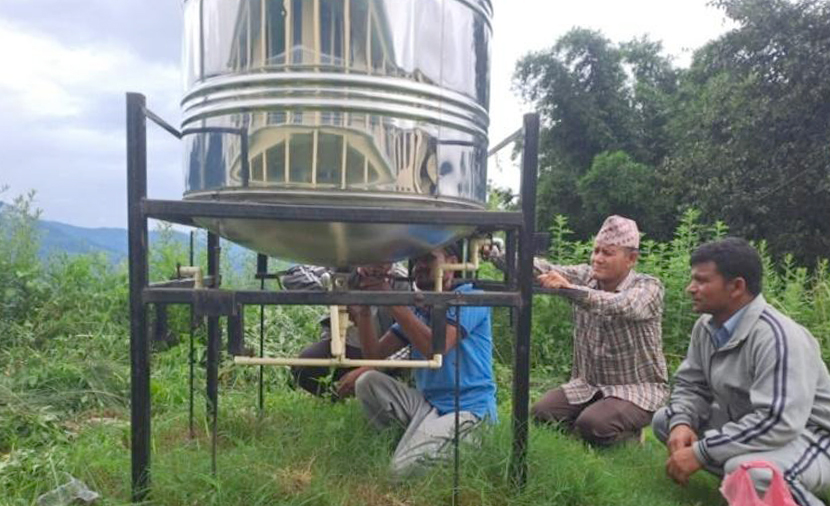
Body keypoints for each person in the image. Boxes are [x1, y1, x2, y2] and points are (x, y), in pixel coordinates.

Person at [653, 237, 830, 505]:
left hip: (811, 437)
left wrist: (701, 452)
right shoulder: (706, 327)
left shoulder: (779, 337)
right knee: (665, 421)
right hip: (756, 426)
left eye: (701, 281)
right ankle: (745, 488)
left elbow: (777, 421)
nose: (691, 288)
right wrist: (682, 422)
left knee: (750, 471)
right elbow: (692, 385)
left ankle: (757, 484)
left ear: (736, 287)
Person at [490, 215, 668, 445]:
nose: (598, 259)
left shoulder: (648, 287)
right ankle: (588, 426)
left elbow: (623, 305)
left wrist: (569, 289)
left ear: (631, 258)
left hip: (636, 389)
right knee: (541, 413)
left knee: (593, 425)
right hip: (588, 385)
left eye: (607, 253)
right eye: (596, 251)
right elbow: (543, 268)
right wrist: (494, 255)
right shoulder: (586, 277)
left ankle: (630, 437)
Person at [350, 244, 497, 477]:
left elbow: (434, 347)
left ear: (452, 262)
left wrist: (391, 299)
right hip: (429, 405)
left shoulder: (470, 297)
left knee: (400, 473)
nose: (419, 266)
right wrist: (366, 307)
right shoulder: (420, 308)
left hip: (467, 410)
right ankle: (411, 442)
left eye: (428, 259)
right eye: (416, 261)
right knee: (367, 381)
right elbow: (374, 355)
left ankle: (442, 446)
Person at [284, 264, 409, 398]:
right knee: (305, 365)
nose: (375, 266)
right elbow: (293, 275)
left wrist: (373, 367)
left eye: (383, 262)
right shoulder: (345, 266)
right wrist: (337, 293)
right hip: (346, 345)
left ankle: (370, 395)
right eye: (369, 258)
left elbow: (410, 340)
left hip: (384, 352)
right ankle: (334, 399)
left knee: (388, 372)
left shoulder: (401, 280)